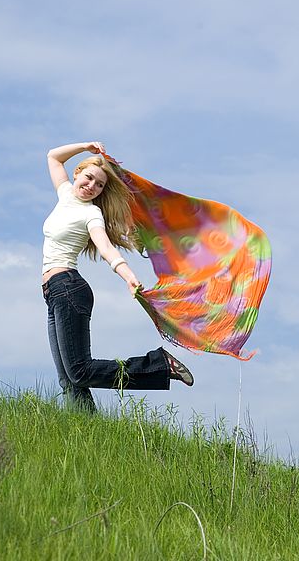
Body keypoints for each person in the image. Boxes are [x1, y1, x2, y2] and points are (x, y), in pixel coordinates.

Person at [42, 141, 194, 413]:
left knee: (79, 371)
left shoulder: (92, 214)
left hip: (69, 289)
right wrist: (87, 147)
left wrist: (129, 276)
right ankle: (86, 433)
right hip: (53, 293)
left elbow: (107, 248)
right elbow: (53, 157)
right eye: (89, 178)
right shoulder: (65, 194)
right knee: (69, 380)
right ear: (77, 174)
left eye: (99, 185)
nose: (92, 186)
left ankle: (159, 366)